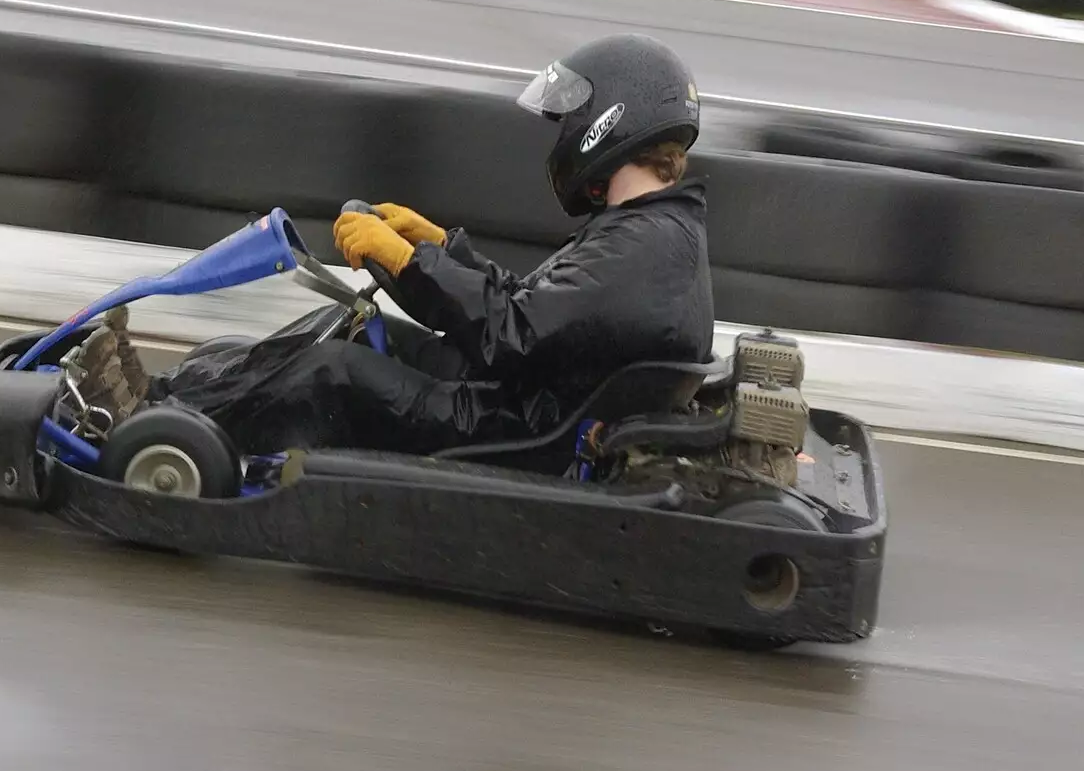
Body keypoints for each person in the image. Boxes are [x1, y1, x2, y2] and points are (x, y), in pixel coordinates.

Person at [75, 33, 715, 456]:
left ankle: (148, 432)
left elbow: (512, 332)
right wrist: (441, 246)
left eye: (569, 121)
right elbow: (541, 313)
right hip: (529, 401)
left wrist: (414, 261)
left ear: (607, 123)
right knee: (349, 326)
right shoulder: (651, 234)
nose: (561, 137)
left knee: (332, 374)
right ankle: (166, 401)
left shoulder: (644, 247)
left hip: (515, 431)